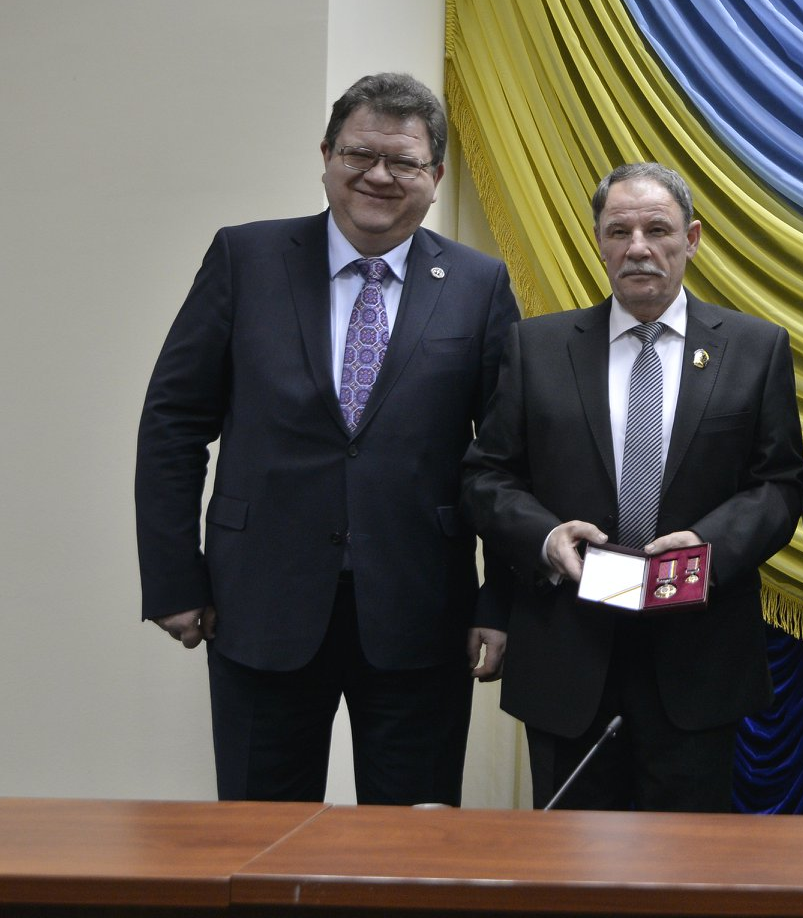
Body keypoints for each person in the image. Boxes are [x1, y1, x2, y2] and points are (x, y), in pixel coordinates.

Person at [136, 72, 518, 805]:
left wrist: (499, 602)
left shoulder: (479, 284)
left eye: (403, 161)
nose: (379, 175)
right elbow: (173, 424)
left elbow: (505, 458)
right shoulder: (245, 259)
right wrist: (174, 576)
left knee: (410, 845)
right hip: (258, 603)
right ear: (326, 157)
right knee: (261, 840)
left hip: (422, 611)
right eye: (359, 154)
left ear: (435, 177)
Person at [462, 162, 803, 811]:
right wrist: (546, 537)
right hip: (569, 654)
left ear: (692, 239)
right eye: (619, 231)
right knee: (570, 860)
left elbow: (780, 485)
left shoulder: (755, 348)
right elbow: (487, 476)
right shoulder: (538, 347)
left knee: (688, 862)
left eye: (657, 230)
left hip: (698, 659)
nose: (638, 247)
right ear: (599, 242)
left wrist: (707, 546)